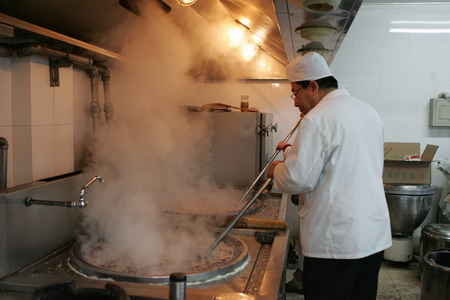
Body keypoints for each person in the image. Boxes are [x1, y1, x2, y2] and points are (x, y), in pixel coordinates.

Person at [267, 52, 392, 300]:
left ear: (312, 86)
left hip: (335, 245)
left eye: (295, 93)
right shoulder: (368, 112)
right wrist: (293, 151)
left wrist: (275, 170)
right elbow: (341, 160)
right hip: (372, 238)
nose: (294, 102)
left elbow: (296, 179)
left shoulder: (317, 118)